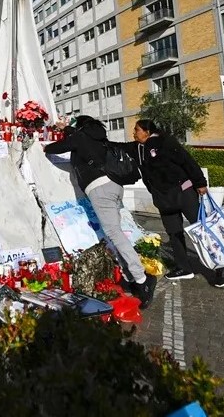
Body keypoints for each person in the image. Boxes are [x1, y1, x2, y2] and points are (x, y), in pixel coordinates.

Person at [45, 115, 157, 309]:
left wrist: (45, 147)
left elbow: (58, 147)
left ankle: (142, 279)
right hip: (113, 185)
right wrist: (66, 129)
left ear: (80, 127)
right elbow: (75, 137)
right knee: (116, 233)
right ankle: (131, 275)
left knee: (114, 233)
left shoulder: (80, 137)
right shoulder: (98, 137)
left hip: (100, 189)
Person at [131, 119, 224, 288]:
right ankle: (184, 267)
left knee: (201, 229)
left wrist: (200, 183)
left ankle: (223, 264)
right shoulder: (139, 149)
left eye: (137, 130)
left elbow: (187, 161)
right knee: (173, 232)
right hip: (164, 199)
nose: (134, 133)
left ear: (147, 131)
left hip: (184, 192)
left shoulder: (166, 142)